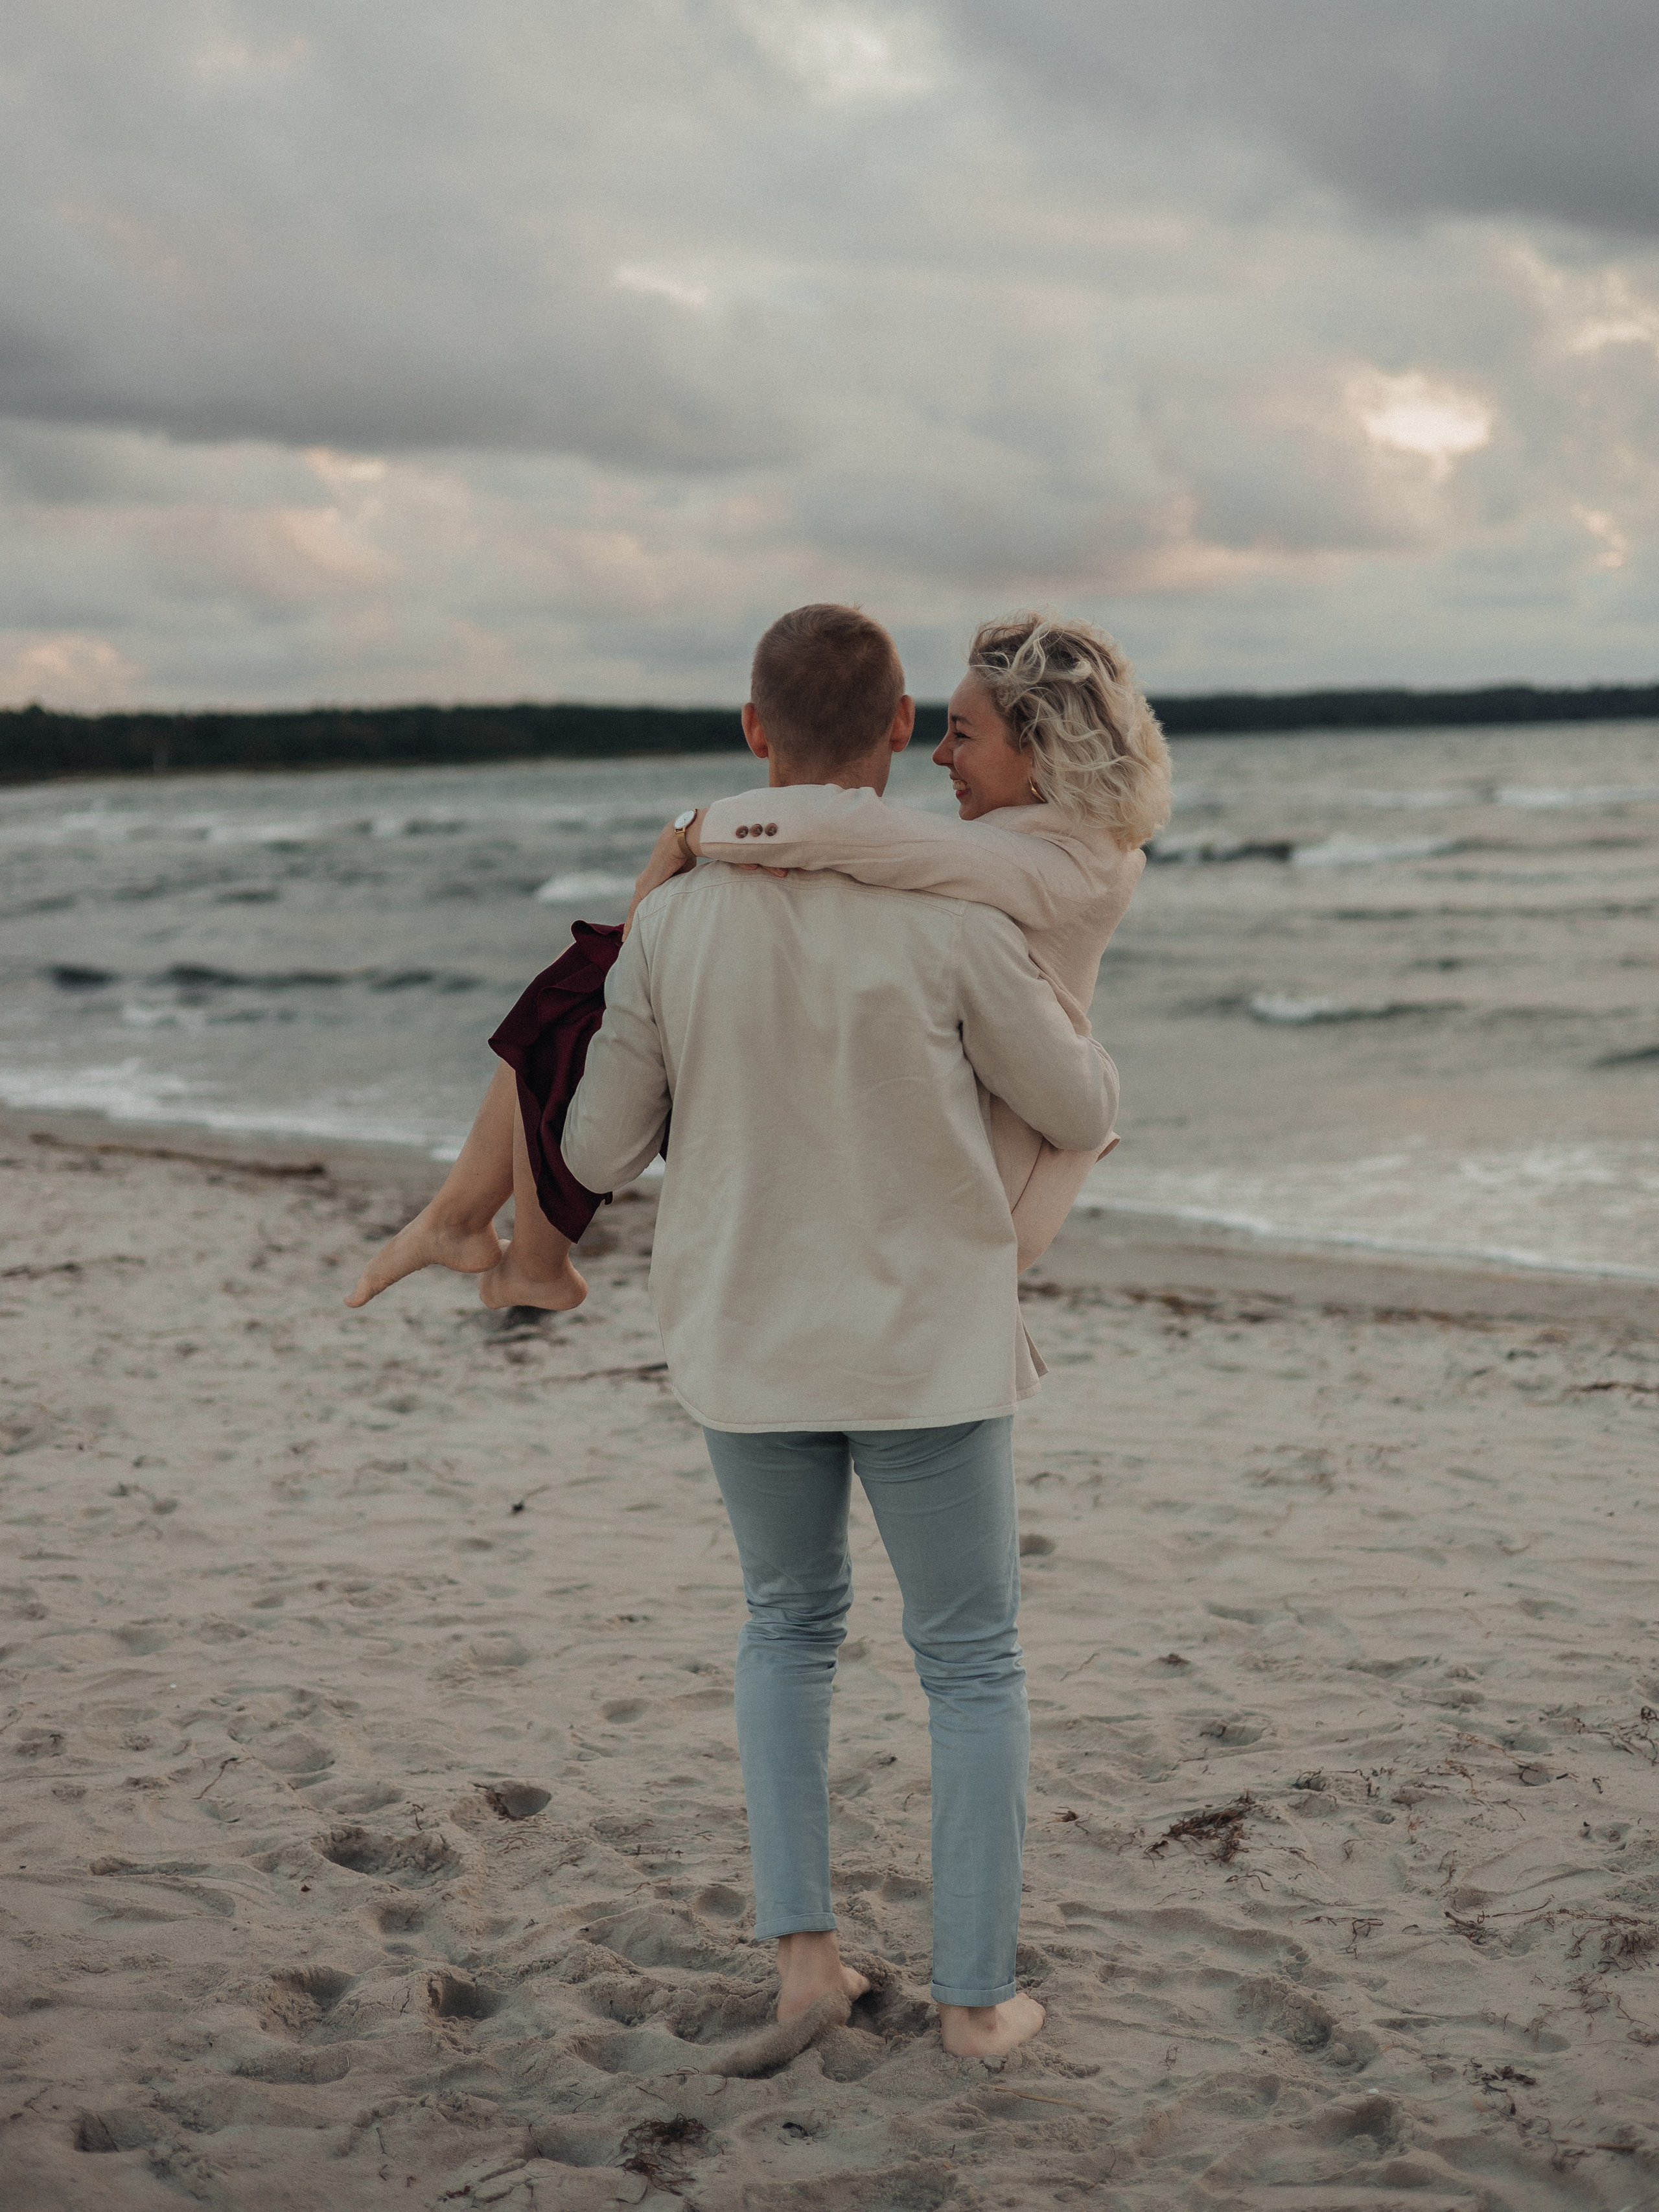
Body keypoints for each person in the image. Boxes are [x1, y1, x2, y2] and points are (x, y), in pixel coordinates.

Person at [559, 602, 1124, 2059]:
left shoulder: (674, 917)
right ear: (891, 731)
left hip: (747, 1340)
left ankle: (806, 1966)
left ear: (752, 728)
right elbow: (1074, 1110)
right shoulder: (955, 916)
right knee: (971, 1662)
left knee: (785, 1630)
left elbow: (601, 1147)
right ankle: (975, 1999)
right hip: (924, 1341)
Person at [343, 612, 1168, 1311]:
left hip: (978, 1201)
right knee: (618, 969)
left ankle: (512, 1242)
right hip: (932, 1172)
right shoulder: (1046, 846)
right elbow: (876, 839)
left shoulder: (1047, 866)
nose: (940, 759)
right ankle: (479, 1225)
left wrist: (688, 833)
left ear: (1040, 750)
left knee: (609, 972)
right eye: (939, 731)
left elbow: (853, 829)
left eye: (964, 735)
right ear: (899, 718)